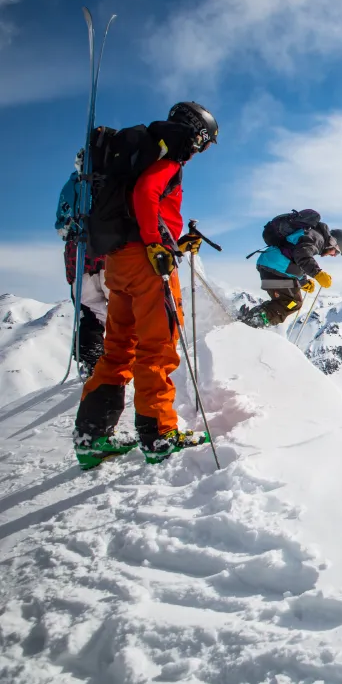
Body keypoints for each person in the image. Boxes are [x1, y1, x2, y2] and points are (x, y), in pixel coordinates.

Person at [72, 101, 218, 470]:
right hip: (148, 263)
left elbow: (140, 204)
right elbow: (146, 195)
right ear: (196, 132)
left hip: (119, 261)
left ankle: (92, 436)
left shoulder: (143, 151)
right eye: (205, 142)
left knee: (119, 347)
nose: (201, 151)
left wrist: (172, 243)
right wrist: (155, 243)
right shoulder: (170, 153)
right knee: (158, 347)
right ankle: (159, 435)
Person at [239, 215, 342, 328]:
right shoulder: (318, 238)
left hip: (271, 266)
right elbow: (302, 255)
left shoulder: (312, 235)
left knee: (288, 301)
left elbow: (296, 260)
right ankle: (253, 321)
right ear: (334, 243)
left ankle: (251, 317)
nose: (334, 256)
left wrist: (303, 282)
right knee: (293, 303)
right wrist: (318, 273)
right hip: (275, 268)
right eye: (336, 252)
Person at [55, 149, 109, 376]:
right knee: (122, 308)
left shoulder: (72, 186)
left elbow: (61, 225)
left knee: (90, 311)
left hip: (78, 255)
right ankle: (122, 359)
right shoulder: (113, 183)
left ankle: (92, 360)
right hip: (109, 253)